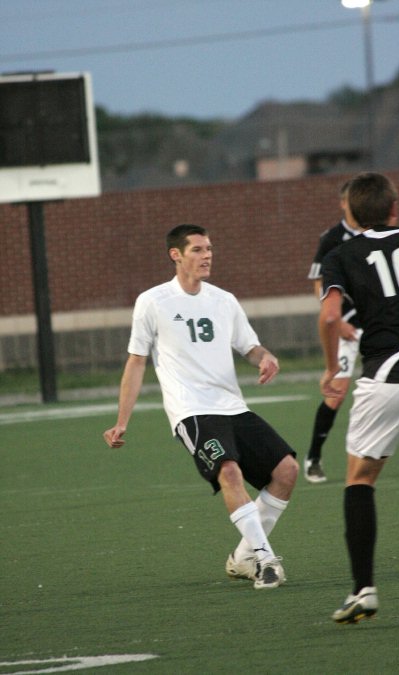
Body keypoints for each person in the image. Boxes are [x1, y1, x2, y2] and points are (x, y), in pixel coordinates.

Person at [103, 223, 299, 590]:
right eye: (197, 249)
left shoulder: (223, 300)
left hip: (232, 406)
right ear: (175, 255)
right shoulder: (153, 301)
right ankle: (265, 559)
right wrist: (121, 421)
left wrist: (265, 356)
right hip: (191, 411)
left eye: (209, 248)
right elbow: (136, 361)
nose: (206, 255)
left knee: (287, 470)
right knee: (229, 470)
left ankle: (244, 556)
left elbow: (249, 347)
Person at [318, 172, 399, 623]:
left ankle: (363, 590)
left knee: (360, 479)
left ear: (350, 215)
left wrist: (332, 367)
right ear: (396, 209)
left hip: (387, 377)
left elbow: (330, 314)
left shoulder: (341, 254)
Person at [305, 180, 399, 483]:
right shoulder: (333, 240)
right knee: (337, 391)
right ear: (343, 203)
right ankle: (313, 457)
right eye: (347, 200)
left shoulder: (391, 237)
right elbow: (320, 285)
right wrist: (340, 320)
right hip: (347, 323)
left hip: (382, 322)